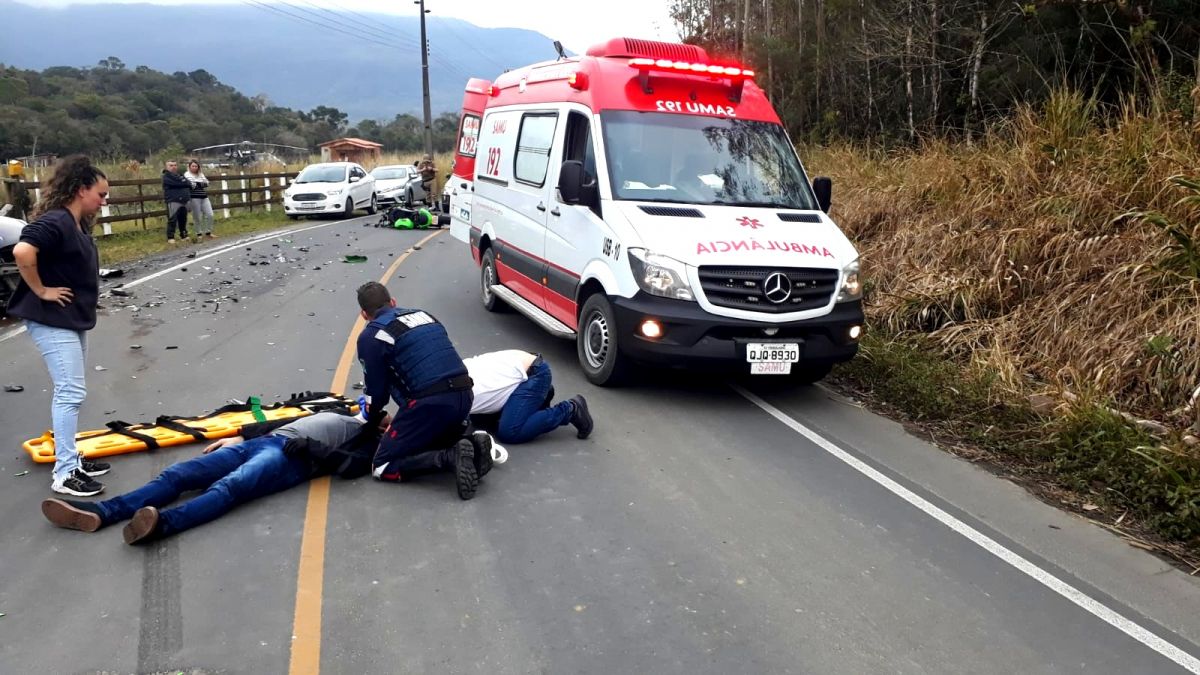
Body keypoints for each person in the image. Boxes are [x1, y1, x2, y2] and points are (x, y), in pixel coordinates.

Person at [40, 411, 379, 544]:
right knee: (179, 474)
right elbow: (280, 421)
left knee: (230, 486)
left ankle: (162, 525)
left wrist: (312, 448)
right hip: (259, 443)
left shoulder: (369, 442)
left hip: (288, 459)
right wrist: (241, 435)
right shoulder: (342, 412)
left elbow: (350, 466)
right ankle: (102, 513)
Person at [6, 155, 112, 497]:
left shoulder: (75, 222)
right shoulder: (57, 220)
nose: (104, 200)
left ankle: (71, 458)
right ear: (81, 190)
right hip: (51, 319)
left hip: (69, 318)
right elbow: (23, 251)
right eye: (100, 193)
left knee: (72, 392)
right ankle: (65, 473)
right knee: (70, 392)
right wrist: (40, 290)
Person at [355, 281, 489, 500]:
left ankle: (449, 457)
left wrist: (371, 419)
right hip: (465, 396)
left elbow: (377, 392)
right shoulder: (424, 315)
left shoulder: (371, 336)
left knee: (382, 466)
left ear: (363, 314)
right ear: (393, 302)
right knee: (424, 440)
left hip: (430, 403)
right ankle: (472, 445)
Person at [465, 350, 593, 444]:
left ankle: (570, 409)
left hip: (535, 374)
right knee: (479, 421)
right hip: (518, 373)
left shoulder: (454, 394)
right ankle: (540, 397)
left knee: (509, 432)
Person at [161, 160, 191, 244]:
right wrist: (181, 182)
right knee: (172, 219)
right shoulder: (165, 176)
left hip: (184, 200)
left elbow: (189, 184)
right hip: (173, 200)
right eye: (171, 165)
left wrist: (181, 182)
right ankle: (170, 237)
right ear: (166, 167)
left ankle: (183, 235)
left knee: (183, 218)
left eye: (175, 165)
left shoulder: (180, 175)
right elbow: (176, 183)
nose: (173, 167)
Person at [184, 159, 216, 240]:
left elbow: (206, 183)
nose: (194, 168)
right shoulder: (187, 175)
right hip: (194, 197)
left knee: (210, 214)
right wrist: (200, 184)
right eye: (193, 166)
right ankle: (199, 233)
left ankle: (208, 232)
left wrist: (199, 184)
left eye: (196, 166)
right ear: (189, 167)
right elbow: (191, 185)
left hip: (204, 196)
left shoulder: (200, 174)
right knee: (197, 216)